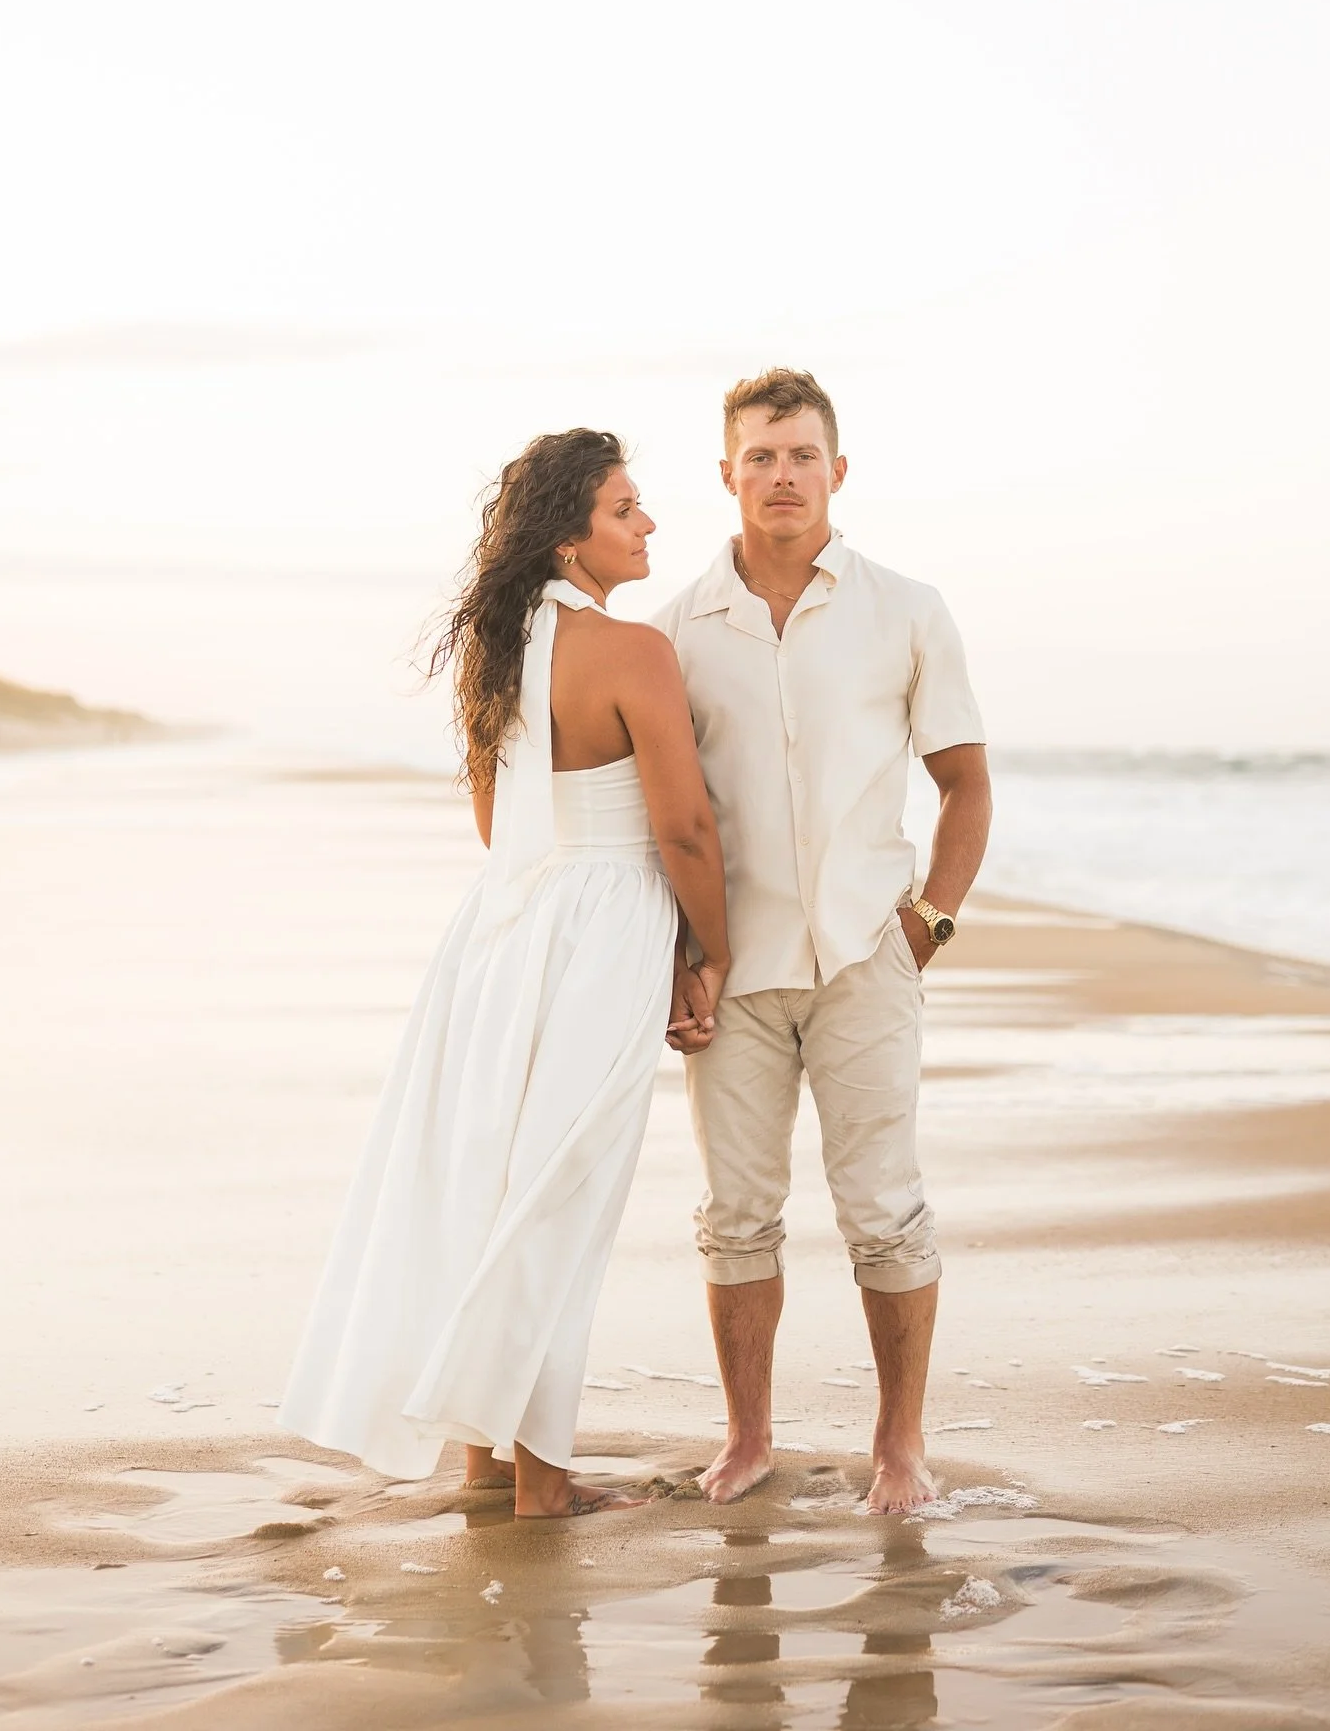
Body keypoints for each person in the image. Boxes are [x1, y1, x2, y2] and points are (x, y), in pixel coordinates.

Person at [279, 429, 730, 1519]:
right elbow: (684, 829)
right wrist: (707, 950)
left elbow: (496, 821)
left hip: (501, 929)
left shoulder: (499, 650)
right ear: (570, 536)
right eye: (628, 509)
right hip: (606, 923)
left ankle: (483, 1460)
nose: (650, 524)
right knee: (560, 1198)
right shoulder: (635, 655)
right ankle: (543, 1487)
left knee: (492, 1181)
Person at [655, 368, 991, 1515]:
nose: (782, 475)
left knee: (884, 1209)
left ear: (837, 470)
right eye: (761, 456)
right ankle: (748, 1438)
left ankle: (900, 1447)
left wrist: (929, 918)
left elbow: (964, 782)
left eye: (802, 455)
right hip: (732, 973)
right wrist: (678, 958)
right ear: (727, 475)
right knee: (735, 1217)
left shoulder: (907, 608)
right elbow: (667, 819)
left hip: (865, 961)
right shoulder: (676, 631)